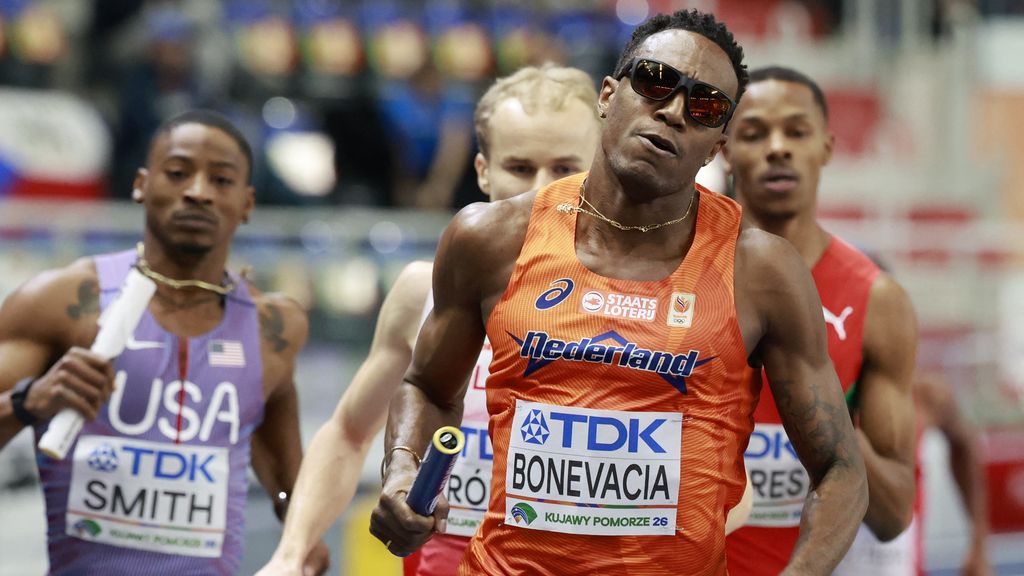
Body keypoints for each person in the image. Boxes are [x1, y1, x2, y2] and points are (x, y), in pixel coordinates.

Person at [370, 9, 868, 575]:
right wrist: (404, 466)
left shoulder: (761, 271)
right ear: (609, 94)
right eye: (656, 81)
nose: (675, 110)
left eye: (704, 106)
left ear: (716, 146)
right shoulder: (490, 238)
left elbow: (841, 469)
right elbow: (428, 386)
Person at [257, 64, 604, 576]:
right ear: (484, 171)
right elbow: (349, 433)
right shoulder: (425, 289)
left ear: (600, 169)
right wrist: (290, 553)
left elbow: (726, 499)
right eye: (520, 167)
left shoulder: (646, 302)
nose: (541, 189)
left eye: (564, 167)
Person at [0, 110, 329, 575]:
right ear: (140, 184)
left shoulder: (274, 327)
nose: (198, 191)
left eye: (221, 179)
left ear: (247, 202)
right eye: (177, 173)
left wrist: (300, 539)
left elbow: (283, 476)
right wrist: (28, 402)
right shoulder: (60, 301)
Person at [720, 66, 919, 575]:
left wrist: (821, 413)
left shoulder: (877, 299)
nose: (778, 147)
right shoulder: (676, 271)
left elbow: (894, 512)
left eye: (796, 131)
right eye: (754, 133)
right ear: (723, 149)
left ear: (826, 147)